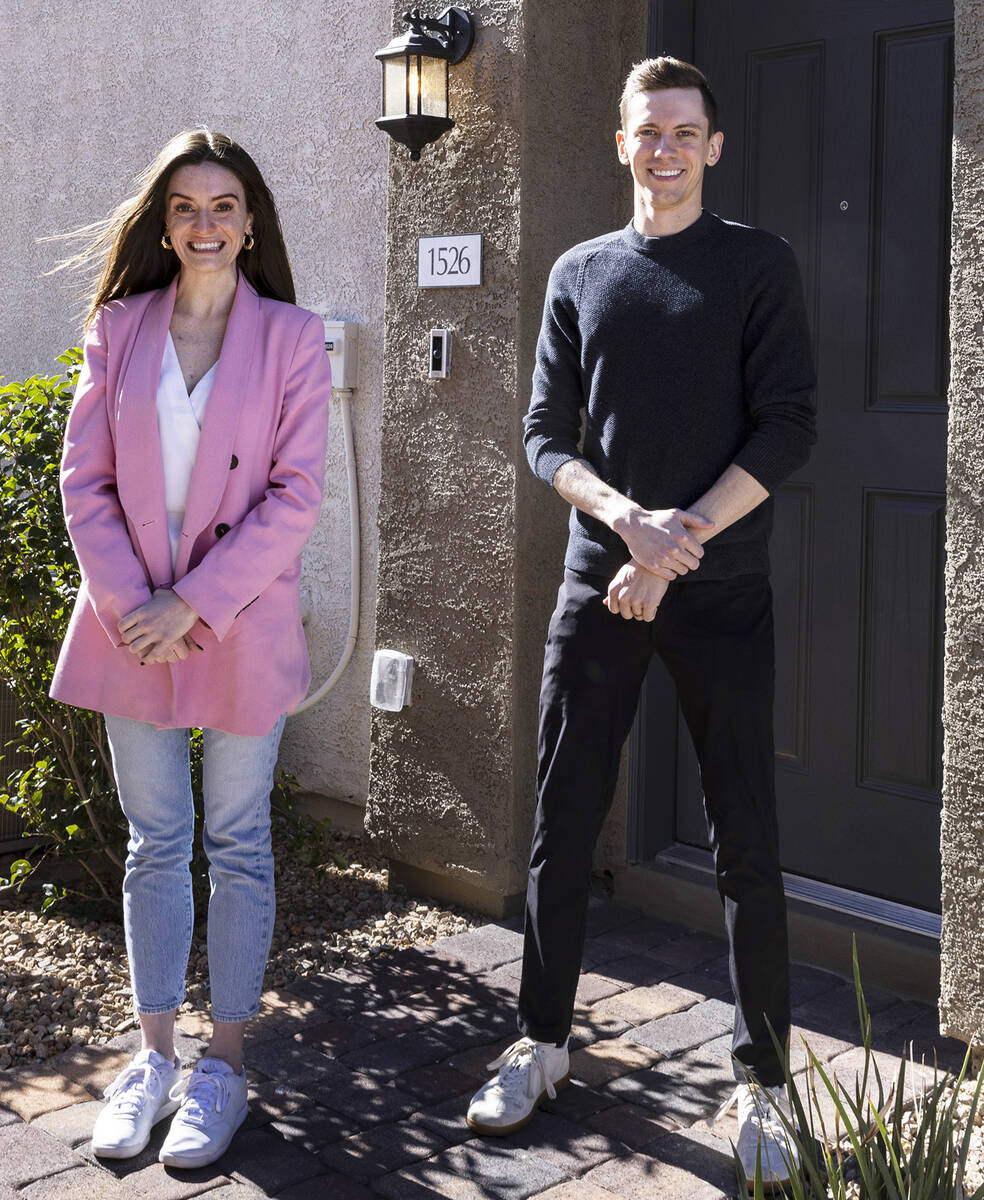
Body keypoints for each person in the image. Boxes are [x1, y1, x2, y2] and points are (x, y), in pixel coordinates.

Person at [465, 57, 816, 1191]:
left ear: (713, 146)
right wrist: (630, 525)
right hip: (600, 586)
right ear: (620, 146)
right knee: (563, 822)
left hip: (718, 592)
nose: (663, 147)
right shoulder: (581, 273)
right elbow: (544, 436)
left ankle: (762, 1076)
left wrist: (679, 546)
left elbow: (788, 430)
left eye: (683, 130)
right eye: (645, 131)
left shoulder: (758, 266)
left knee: (746, 840)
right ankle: (543, 1041)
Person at [49, 129, 332, 1168]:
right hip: (133, 623)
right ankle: (155, 1058)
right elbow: (84, 485)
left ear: (251, 222)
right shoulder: (117, 329)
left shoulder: (296, 339)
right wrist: (140, 606)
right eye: (185, 206)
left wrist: (194, 606)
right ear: (163, 226)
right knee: (156, 842)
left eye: (224, 205)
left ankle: (226, 1067)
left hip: (239, 623)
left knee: (239, 841)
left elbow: (295, 498)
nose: (205, 224)